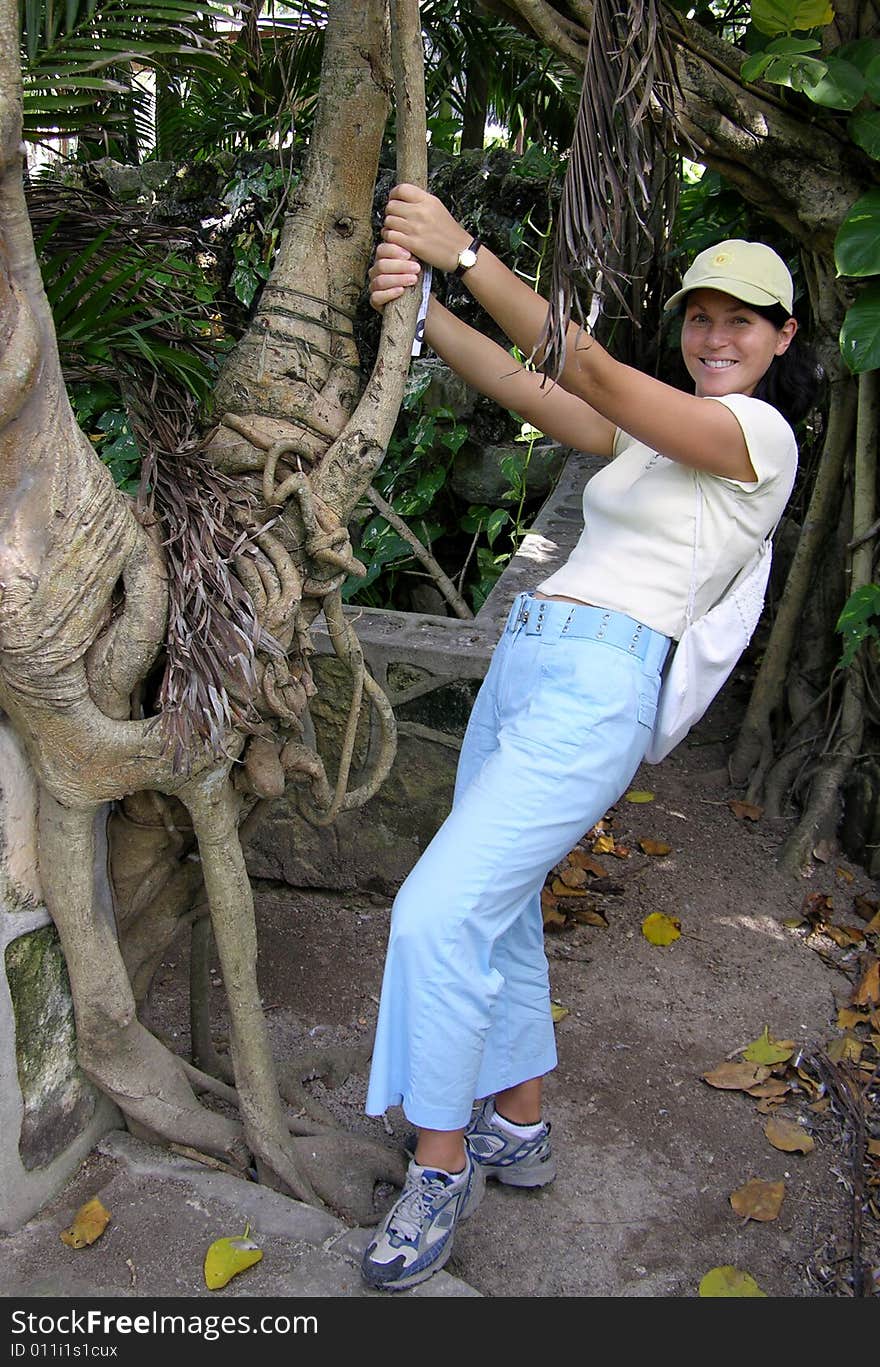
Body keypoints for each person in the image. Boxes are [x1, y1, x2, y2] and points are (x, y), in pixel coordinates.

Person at [359, 184, 819, 1293]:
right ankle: (516, 1122)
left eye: (741, 322)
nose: (716, 338)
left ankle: (440, 1158)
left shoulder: (756, 434)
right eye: (702, 317)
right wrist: (428, 319)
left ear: (781, 338)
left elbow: (593, 372)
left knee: (435, 911)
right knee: (500, 909)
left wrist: (461, 253)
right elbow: (540, 388)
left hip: (598, 685)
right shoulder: (657, 434)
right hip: (532, 659)